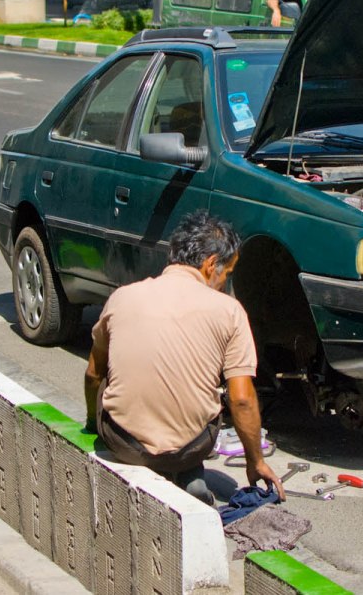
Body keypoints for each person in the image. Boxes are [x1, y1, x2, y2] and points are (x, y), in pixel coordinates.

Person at [83, 211, 284, 506]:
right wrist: (256, 461)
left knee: (105, 376)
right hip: (189, 451)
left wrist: (92, 424)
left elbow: (92, 375)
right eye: (227, 275)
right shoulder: (230, 311)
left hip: (124, 444)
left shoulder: (122, 297)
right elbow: (241, 400)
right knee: (211, 397)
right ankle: (186, 476)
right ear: (211, 264)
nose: (225, 284)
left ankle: (162, 471)